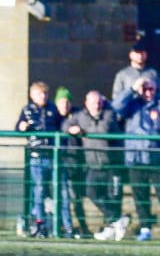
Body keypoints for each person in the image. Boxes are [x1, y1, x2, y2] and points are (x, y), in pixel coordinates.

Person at [111, 76, 160, 243]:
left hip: (156, 157)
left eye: (151, 89)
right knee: (140, 195)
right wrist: (132, 89)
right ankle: (145, 227)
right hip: (136, 156)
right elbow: (115, 108)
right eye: (144, 89)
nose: (148, 92)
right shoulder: (133, 103)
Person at [62, 90, 130, 242]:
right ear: (86, 103)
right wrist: (71, 129)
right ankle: (117, 219)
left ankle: (112, 226)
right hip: (93, 164)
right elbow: (65, 125)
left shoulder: (109, 114)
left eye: (99, 102)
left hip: (111, 164)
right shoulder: (80, 115)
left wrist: (84, 131)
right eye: (93, 102)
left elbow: (103, 130)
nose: (96, 105)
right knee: (91, 192)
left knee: (113, 197)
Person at [16, 81, 70, 239]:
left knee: (62, 191)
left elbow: (62, 126)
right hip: (37, 157)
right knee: (39, 191)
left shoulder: (53, 109)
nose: (43, 96)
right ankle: (40, 225)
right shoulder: (27, 110)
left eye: (45, 93)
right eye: (40, 93)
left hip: (54, 156)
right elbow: (18, 127)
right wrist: (22, 127)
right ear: (32, 95)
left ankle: (67, 227)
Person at [53, 87, 88, 237]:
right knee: (61, 196)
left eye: (67, 101)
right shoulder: (53, 117)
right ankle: (60, 226)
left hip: (76, 163)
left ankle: (82, 227)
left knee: (76, 197)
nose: (64, 105)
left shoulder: (78, 115)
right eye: (61, 102)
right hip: (59, 163)